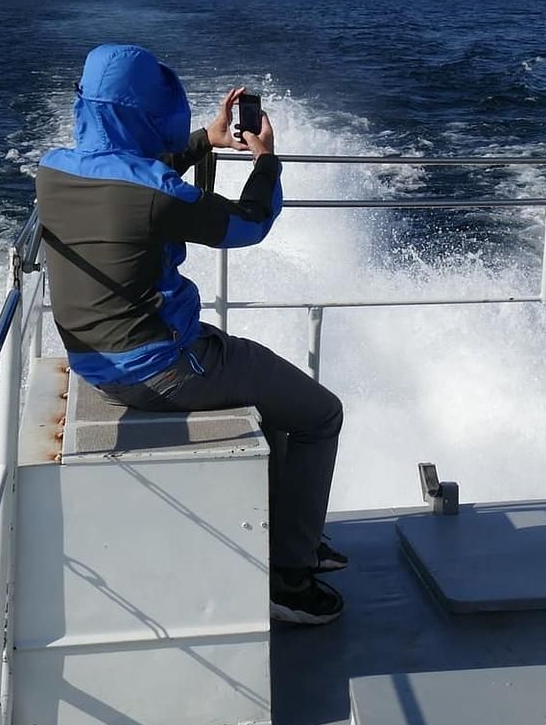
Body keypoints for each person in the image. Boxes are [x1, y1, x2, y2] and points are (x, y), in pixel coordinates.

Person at [35, 43, 347, 626]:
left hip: (94, 362)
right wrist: (266, 161)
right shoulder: (155, 192)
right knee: (319, 412)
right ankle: (289, 579)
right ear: (152, 111)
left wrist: (205, 141)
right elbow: (247, 225)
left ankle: (288, 541)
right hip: (163, 368)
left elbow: (126, 184)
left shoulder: (53, 170)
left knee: (275, 401)